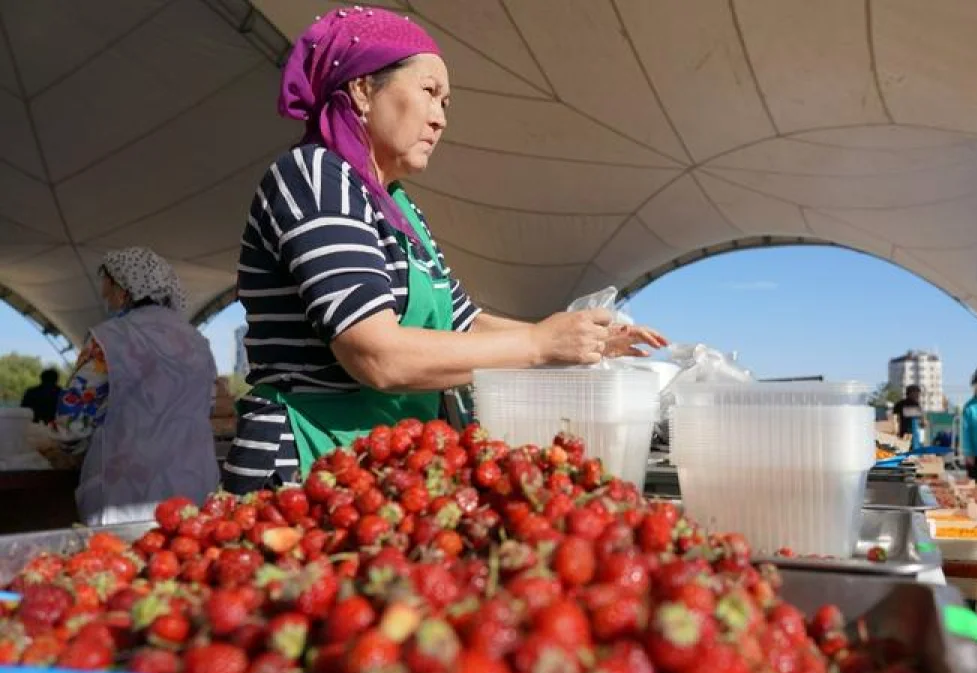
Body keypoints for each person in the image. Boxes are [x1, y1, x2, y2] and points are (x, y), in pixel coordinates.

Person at [222, 9, 666, 493]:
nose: (440, 118)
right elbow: (375, 355)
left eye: (447, 103)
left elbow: (465, 321)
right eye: (429, 92)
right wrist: (539, 346)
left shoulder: (396, 205)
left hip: (379, 467)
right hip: (304, 468)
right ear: (362, 90)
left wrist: (582, 342)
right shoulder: (315, 176)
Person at [54, 248, 219, 526]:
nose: (105, 295)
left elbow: (70, 424)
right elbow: (209, 403)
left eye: (108, 287)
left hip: (125, 493)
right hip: (195, 488)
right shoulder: (197, 342)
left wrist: (73, 450)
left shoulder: (108, 339)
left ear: (125, 289)